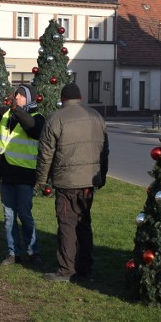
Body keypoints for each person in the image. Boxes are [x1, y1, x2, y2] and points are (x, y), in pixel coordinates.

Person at [36, 82, 109, 282]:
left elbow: (45, 154)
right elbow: (105, 151)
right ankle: (85, 268)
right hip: (88, 182)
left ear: (62, 99)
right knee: (84, 224)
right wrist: (101, 176)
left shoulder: (55, 119)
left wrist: (41, 180)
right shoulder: (96, 117)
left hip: (66, 183)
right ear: (80, 98)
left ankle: (67, 270)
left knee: (67, 224)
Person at [0, 73, 45, 265]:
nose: (16, 96)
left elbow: (31, 127)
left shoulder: (37, 118)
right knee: (9, 217)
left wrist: (16, 109)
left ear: (29, 99)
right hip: (6, 175)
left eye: (20, 94)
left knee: (25, 215)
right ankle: (13, 253)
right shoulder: (7, 115)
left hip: (25, 176)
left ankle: (32, 251)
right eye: (15, 94)